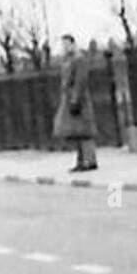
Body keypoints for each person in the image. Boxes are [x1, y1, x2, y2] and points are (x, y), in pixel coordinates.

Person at [52, 34, 99, 172]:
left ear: (73, 44)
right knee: (76, 132)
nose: (65, 47)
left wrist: (75, 99)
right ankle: (81, 160)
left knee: (84, 131)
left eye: (67, 44)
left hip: (79, 99)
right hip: (70, 98)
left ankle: (89, 161)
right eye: (63, 45)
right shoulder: (67, 60)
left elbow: (80, 80)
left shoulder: (79, 59)